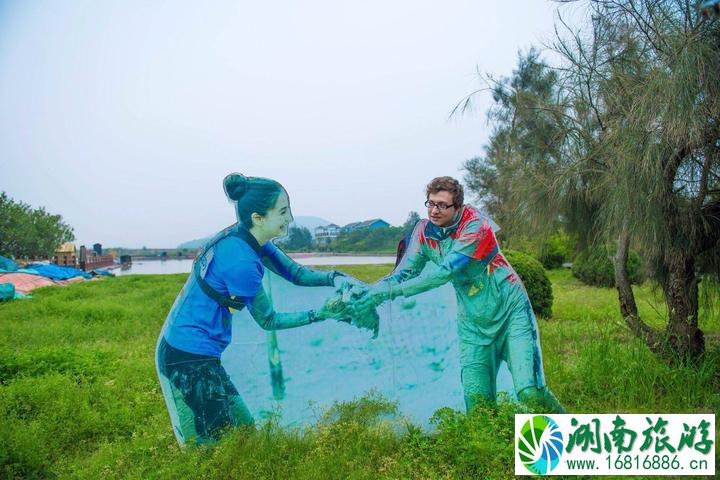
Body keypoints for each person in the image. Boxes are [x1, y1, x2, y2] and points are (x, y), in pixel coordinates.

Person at [156, 174, 354, 445]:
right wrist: (323, 314)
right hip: (188, 358)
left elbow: (295, 273)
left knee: (246, 431)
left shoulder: (249, 238)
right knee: (220, 443)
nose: (291, 219)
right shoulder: (241, 262)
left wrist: (335, 277)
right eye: (283, 212)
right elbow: (269, 320)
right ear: (258, 217)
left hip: (198, 353)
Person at [352, 176, 564, 413]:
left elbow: (445, 272)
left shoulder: (476, 226)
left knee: (530, 392)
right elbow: (403, 273)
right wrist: (370, 292)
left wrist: (388, 293)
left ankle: (573, 437)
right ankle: (488, 448)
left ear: (458, 207)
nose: (434, 210)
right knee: (477, 402)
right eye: (430, 203)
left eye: (442, 205)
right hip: (472, 321)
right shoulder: (423, 232)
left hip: (510, 311)